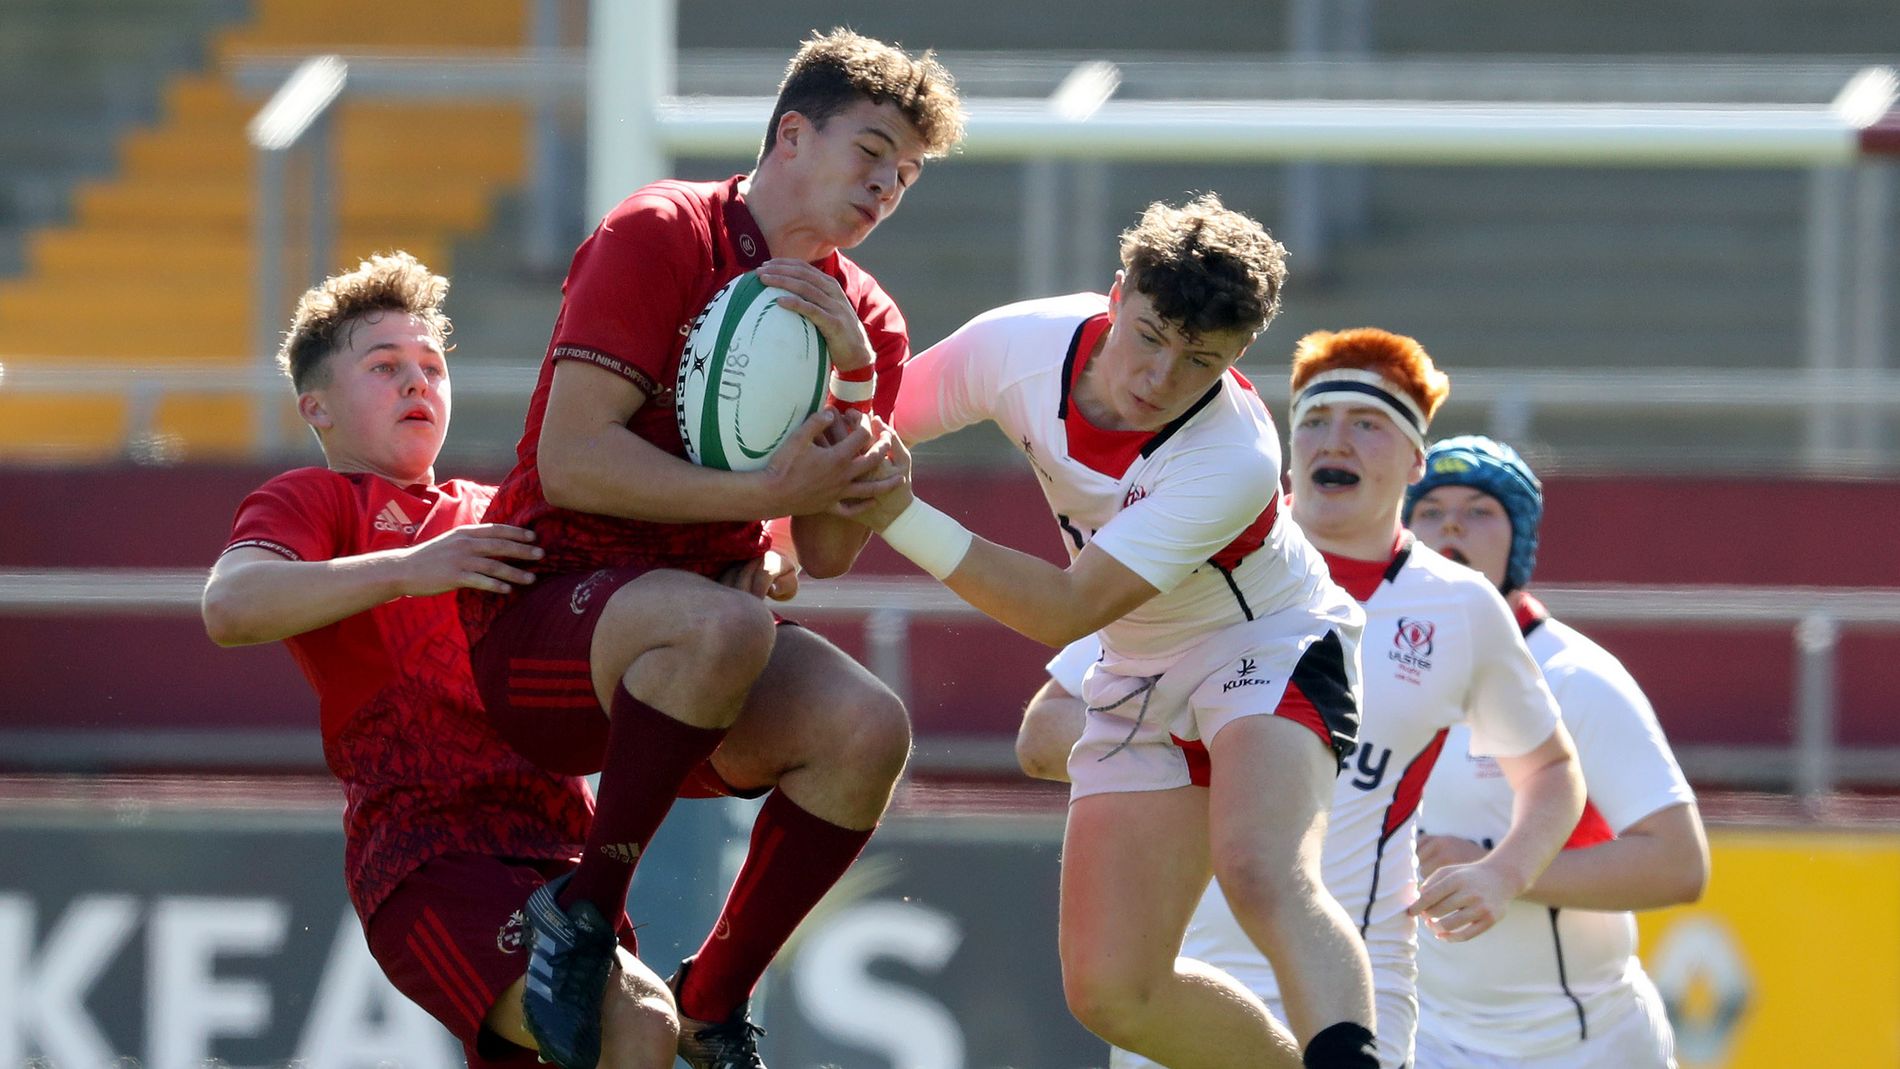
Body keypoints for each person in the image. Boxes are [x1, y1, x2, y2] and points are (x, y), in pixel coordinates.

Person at [457, 29, 965, 1069]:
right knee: (724, 621)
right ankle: (584, 912)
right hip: (544, 617)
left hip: (695, 656)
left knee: (868, 727)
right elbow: (571, 462)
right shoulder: (662, 230)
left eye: (907, 175)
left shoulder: (868, 319)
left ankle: (713, 1000)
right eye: (872, 152)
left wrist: (856, 405)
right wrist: (759, 502)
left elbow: (824, 551)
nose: (886, 186)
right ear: (792, 135)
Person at [867, 193, 1379, 1069]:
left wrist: (896, 514)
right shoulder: (1020, 345)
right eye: (1149, 336)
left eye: (1200, 360)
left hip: (1269, 642)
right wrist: (776, 538)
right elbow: (871, 424)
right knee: (1114, 992)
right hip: (1139, 658)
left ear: (1239, 356)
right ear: (1115, 293)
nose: (1159, 377)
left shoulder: (1232, 455)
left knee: (1261, 868)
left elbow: (1066, 608)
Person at [1017, 328, 1589, 1069]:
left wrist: (1503, 872)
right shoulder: (1201, 551)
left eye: (1367, 423)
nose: (1335, 441)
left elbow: (1551, 770)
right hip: (1182, 995)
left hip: (1353, 993)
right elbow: (1043, 734)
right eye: (1315, 420)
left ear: (1416, 459)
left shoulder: (1460, 606)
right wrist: (1220, 741)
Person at [201, 252, 678, 1068]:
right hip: (430, 853)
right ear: (316, 406)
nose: (417, 383)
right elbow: (231, 605)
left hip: (566, 849)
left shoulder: (498, 511)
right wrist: (409, 568)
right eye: (385, 366)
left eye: (431, 366)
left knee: (638, 1031)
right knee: (637, 1024)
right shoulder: (316, 498)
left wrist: (761, 554)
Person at [1404, 436, 1708, 1069]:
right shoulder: (1370, 664)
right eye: (1430, 510)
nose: (1451, 525)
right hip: (1425, 1036)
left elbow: (1680, 865)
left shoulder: (1575, 678)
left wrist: (1499, 870)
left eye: (1480, 510)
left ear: (1521, 542)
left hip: (1580, 1047)